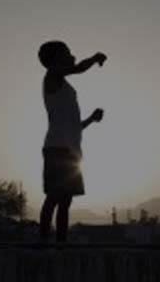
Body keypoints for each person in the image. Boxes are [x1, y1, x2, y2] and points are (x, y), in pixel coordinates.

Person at [37, 40, 106, 243]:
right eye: (66, 53)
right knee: (54, 197)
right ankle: (43, 240)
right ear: (54, 60)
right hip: (56, 148)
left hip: (71, 151)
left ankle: (61, 242)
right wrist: (93, 59)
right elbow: (77, 68)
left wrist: (91, 120)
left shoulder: (64, 86)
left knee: (65, 201)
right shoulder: (52, 77)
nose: (71, 55)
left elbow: (74, 126)